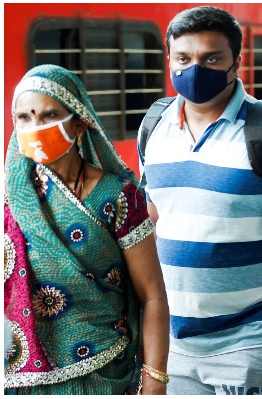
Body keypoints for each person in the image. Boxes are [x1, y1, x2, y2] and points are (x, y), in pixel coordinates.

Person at [138, 6, 262, 395]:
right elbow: (153, 220)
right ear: (169, 60)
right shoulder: (154, 128)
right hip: (172, 343)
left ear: (236, 62)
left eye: (211, 58)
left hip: (251, 343)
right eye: (184, 59)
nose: (195, 69)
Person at [4, 64, 169, 394]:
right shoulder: (11, 196)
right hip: (23, 382)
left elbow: (152, 296)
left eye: (49, 116)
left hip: (104, 373)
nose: (35, 127)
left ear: (79, 122)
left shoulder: (118, 197)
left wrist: (155, 379)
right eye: (24, 118)